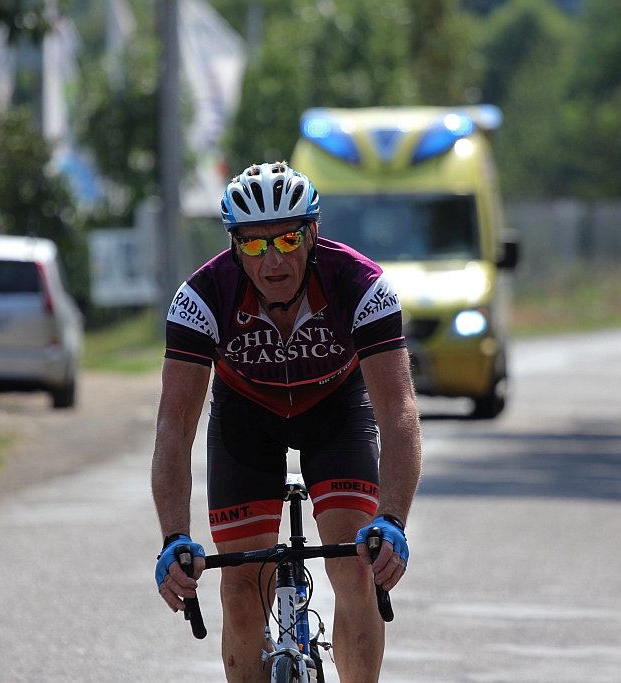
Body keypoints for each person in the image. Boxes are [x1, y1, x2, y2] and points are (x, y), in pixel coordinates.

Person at [152, 162, 422, 683]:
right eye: (253, 245)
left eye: (286, 239)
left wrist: (392, 518)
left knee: (356, 564)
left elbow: (398, 411)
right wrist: (173, 537)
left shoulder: (361, 285)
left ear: (313, 233)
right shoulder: (201, 299)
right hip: (246, 418)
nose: (272, 259)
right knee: (240, 585)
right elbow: (174, 428)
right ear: (234, 246)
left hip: (336, 411)